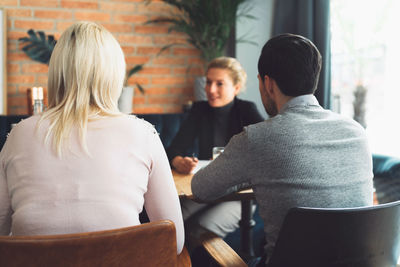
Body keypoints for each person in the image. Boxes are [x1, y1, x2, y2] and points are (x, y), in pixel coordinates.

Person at [0, 21, 184, 254]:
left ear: (57, 71)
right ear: (114, 73)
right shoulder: (143, 134)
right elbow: (173, 243)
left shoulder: (19, 134)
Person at [191, 33, 374, 265]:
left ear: (268, 83)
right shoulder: (356, 131)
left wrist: (250, 175)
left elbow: (200, 188)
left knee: (200, 236)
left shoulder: (257, 138)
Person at [166, 57, 264, 242]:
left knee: (198, 231)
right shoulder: (199, 110)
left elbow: (265, 153)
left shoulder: (247, 110)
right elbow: (174, 149)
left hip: (239, 195)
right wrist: (179, 161)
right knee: (170, 221)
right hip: (207, 186)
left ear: (236, 88)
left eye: (220, 84)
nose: (211, 90)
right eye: (208, 82)